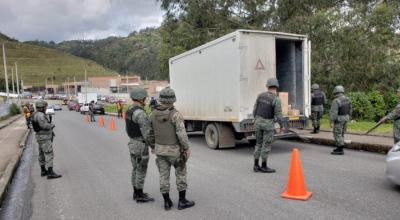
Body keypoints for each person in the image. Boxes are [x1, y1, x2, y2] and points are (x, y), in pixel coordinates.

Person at [150, 87, 195, 211]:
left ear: (161, 99)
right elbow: (182, 134)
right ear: (173, 100)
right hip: (174, 151)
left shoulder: (152, 114)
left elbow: (149, 133)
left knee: (163, 176)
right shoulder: (175, 114)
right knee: (181, 173)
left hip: (160, 150)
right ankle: (182, 201)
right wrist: (186, 148)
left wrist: (153, 146)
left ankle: (167, 202)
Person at [125, 88, 155, 203]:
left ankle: (135, 192)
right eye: (145, 98)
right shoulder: (140, 113)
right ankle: (139, 195)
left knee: (135, 168)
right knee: (141, 169)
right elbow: (147, 133)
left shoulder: (130, 110)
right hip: (140, 145)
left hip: (132, 143)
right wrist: (153, 146)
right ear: (141, 99)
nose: (146, 100)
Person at [252, 78, 283, 173]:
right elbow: (278, 116)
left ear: (267, 86)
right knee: (266, 145)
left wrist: (256, 119)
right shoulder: (276, 99)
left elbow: (255, 110)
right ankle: (264, 166)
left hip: (257, 122)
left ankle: (256, 165)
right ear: (276, 87)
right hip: (268, 124)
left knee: (258, 143)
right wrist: (280, 126)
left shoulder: (260, 95)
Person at [31, 100, 62, 179]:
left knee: (41, 153)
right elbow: (44, 125)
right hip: (44, 137)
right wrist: (51, 125)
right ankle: (50, 173)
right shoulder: (40, 115)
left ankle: (43, 170)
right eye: (45, 107)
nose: (45, 108)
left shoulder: (35, 114)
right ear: (42, 107)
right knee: (49, 153)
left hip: (40, 137)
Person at [329, 85, 352, 155]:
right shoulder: (348, 99)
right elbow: (350, 109)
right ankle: (339, 147)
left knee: (337, 133)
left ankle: (340, 149)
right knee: (341, 133)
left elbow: (334, 113)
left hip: (339, 119)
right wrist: (349, 117)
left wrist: (331, 122)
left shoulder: (336, 101)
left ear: (335, 92)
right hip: (346, 118)